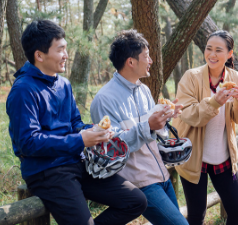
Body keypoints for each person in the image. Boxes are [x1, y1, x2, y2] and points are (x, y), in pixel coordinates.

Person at [6, 20, 147, 225]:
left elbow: (75, 124)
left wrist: (94, 130)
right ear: (39, 55)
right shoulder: (23, 91)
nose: (66, 55)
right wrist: (80, 140)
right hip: (47, 172)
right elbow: (28, 143)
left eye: (66, 48)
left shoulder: (63, 84)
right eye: (61, 49)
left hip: (77, 163)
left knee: (136, 201)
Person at [90, 29, 188, 225]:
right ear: (131, 62)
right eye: (147, 56)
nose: (150, 60)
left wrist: (165, 115)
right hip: (140, 181)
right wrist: (148, 126)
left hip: (160, 172)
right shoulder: (104, 99)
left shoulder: (143, 90)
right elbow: (112, 148)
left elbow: (151, 131)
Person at [172, 30, 238, 225]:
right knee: (196, 215)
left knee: (236, 211)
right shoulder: (191, 77)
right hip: (195, 158)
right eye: (209, 49)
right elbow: (189, 115)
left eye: (219, 50)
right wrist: (214, 102)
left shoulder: (235, 78)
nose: (212, 54)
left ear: (229, 53)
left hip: (223, 156)